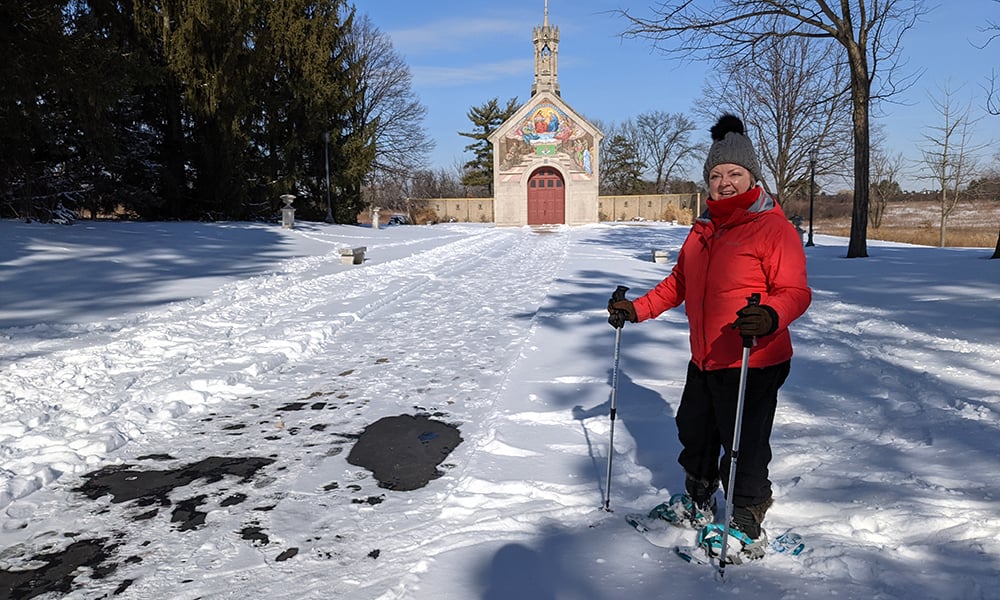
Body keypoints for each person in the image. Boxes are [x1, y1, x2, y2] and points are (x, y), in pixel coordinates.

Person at [608, 113, 811, 562]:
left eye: (734, 174)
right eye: (716, 175)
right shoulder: (702, 229)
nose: (725, 183)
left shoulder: (773, 228)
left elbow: (796, 291)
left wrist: (771, 316)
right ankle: (698, 502)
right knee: (694, 432)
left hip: (753, 359)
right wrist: (636, 309)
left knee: (745, 444)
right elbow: (679, 283)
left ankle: (746, 520)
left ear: (752, 177)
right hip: (705, 357)